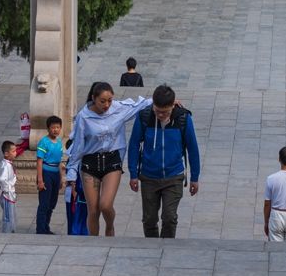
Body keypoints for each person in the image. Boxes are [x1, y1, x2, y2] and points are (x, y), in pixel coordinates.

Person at [65, 81, 152, 237]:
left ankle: (110, 227)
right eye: (102, 101)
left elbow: (142, 104)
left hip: (111, 162)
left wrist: (167, 100)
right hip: (89, 164)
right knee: (93, 209)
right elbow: (78, 146)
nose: (107, 105)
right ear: (94, 98)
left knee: (105, 205)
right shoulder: (84, 116)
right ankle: (94, 241)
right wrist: (71, 172)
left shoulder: (119, 109)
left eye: (110, 100)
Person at [128, 84, 201, 239]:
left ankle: (167, 247)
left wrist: (195, 178)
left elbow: (192, 148)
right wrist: (133, 174)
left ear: (173, 105)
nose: (160, 115)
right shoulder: (144, 117)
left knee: (169, 218)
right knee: (149, 219)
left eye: (165, 112)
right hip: (148, 177)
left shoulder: (183, 118)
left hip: (173, 176)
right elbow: (134, 145)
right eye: (157, 111)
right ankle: (152, 246)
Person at [34, 117, 64, 234]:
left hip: (55, 174)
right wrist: (40, 180)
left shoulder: (60, 142)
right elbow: (39, 161)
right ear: (48, 129)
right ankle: (40, 229)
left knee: (52, 203)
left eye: (57, 127)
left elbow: (59, 162)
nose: (55, 130)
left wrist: (61, 178)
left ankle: (46, 227)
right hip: (46, 173)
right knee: (44, 203)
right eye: (53, 127)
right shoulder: (43, 142)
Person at [64, 138, 89, 236]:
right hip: (76, 193)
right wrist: (74, 190)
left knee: (78, 214)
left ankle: (78, 231)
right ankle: (76, 232)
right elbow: (71, 177)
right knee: (76, 214)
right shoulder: (74, 160)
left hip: (80, 191)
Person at [0, 140, 18, 234]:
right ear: (6, 153)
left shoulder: (8, 164)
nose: (15, 153)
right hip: (7, 194)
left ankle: (12, 230)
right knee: (8, 215)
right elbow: (1, 178)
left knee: (11, 213)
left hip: (10, 193)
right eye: (13, 151)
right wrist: (7, 189)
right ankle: (7, 232)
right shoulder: (5, 165)